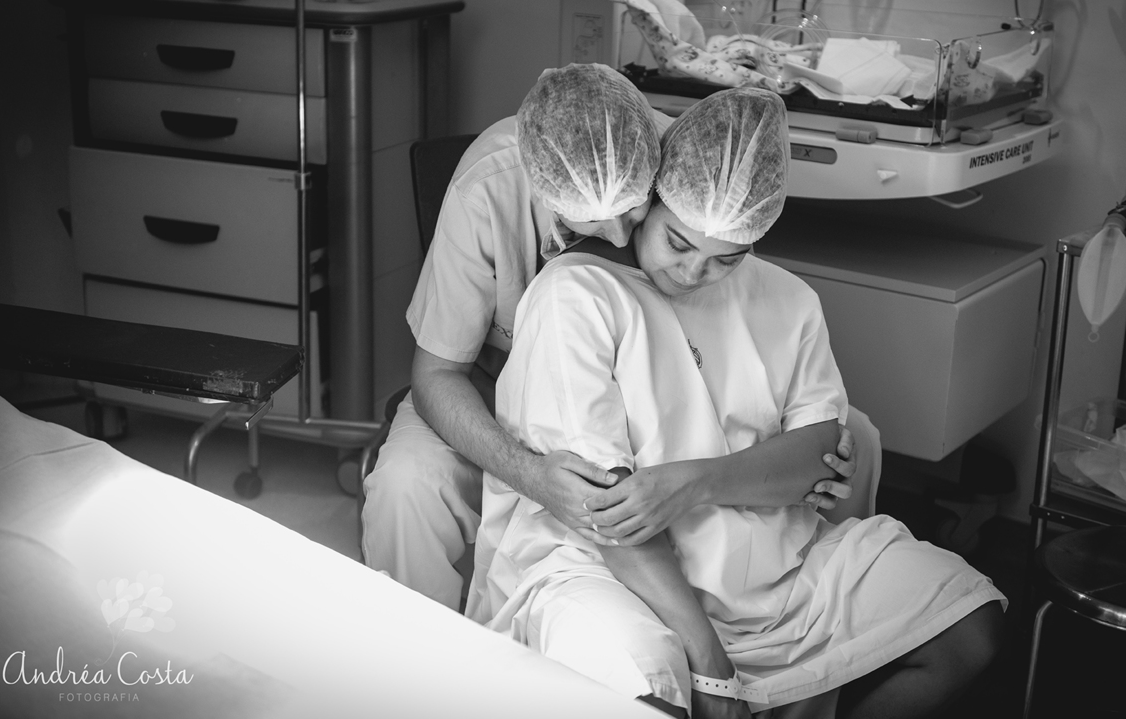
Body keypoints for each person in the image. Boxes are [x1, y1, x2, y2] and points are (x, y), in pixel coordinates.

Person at [468, 87, 1006, 719]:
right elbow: (609, 519)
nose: (695, 273)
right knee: (646, 686)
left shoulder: (787, 299)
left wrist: (690, 485)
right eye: (677, 243)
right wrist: (711, 666)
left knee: (971, 630)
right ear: (650, 201)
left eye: (727, 258)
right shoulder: (578, 297)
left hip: (775, 564)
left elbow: (816, 456)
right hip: (606, 572)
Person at [362, 63, 857, 611]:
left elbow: (721, 300)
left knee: (858, 439)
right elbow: (437, 375)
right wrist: (529, 472)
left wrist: (797, 451)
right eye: (590, 223)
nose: (622, 236)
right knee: (404, 491)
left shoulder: (686, 158)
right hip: (484, 382)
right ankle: (412, 675)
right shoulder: (488, 188)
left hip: (630, 388)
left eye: (636, 207)